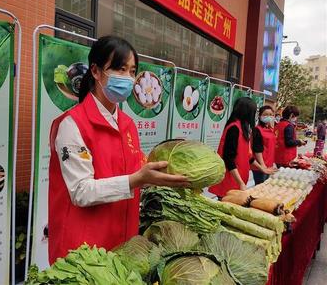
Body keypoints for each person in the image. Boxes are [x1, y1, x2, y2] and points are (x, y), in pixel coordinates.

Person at [47, 36, 189, 263]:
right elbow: (81, 191)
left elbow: (136, 170)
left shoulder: (127, 124)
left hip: (123, 244)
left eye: (132, 71)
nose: (128, 79)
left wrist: (161, 175)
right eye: (120, 69)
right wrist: (136, 180)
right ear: (95, 71)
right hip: (84, 250)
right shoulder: (72, 124)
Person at [209, 97, 275, 197]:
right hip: (230, 181)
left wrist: (262, 168)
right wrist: (240, 183)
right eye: (253, 111)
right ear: (246, 112)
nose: (254, 115)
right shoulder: (234, 128)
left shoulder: (243, 128)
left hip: (238, 180)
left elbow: (248, 156)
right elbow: (229, 159)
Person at [251, 106, 276, 184]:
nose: (268, 117)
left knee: (265, 186)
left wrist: (272, 163)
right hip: (260, 166)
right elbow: (257, 150)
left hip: (269, 164)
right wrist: (262, 165)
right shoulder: (257, 130)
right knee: (260, 187)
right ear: (260, 116)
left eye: (271, 115)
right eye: (265, 114)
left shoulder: (271, 129)